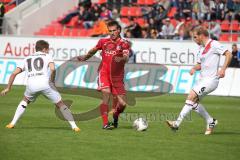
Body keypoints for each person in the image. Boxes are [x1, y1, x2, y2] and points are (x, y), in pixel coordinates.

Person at [1, 40, 80, 132]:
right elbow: (53, 69)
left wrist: (8, 88)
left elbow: (14, 73)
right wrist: (52, 81)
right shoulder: (47, 56)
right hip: (45, 84)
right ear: (44, 49)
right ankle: (74, 126)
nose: (48, 52)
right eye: (48, 50)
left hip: (31, 85)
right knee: (60, 104)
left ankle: (12, 123)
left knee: (25, 100)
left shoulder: (27, 58)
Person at [166, 26, 232, 135]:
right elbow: (200, 65)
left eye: (195, 37)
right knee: (193, 103)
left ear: (202, 35)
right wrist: (193, 68)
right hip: (202, 80)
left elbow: (228, 54)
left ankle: (176, 124)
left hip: (211, 80)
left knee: (191, 96)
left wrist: (223, 69)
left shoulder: (214, 44)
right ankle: (211, 121)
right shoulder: (201, 49)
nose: (194, 39)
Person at [78, 20, 131, 130]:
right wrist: (85, 58)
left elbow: (126, 57)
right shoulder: (103, 41)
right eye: (110, 31)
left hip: (117, 77)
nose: (111, 33)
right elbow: (93, 51)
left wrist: (121, 58)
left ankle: (115, 116)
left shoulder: (124, 43)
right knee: (106, 94)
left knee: (123, 104)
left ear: (119, 30)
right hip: (104, 73)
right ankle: (105, 123)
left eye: (114, 30)